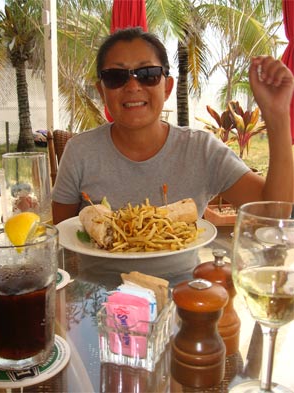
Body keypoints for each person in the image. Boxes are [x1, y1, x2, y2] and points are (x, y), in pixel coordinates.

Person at [52, 27, 294, 281]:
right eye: (116, 77)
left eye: (148, 74)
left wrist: (277, 116)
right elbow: (62, 240)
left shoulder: (201, 150)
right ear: (102, 91)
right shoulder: (80, 151)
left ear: (167, 87)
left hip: (183, 301)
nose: (133, 86)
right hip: (98, 300)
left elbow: (272, 214)